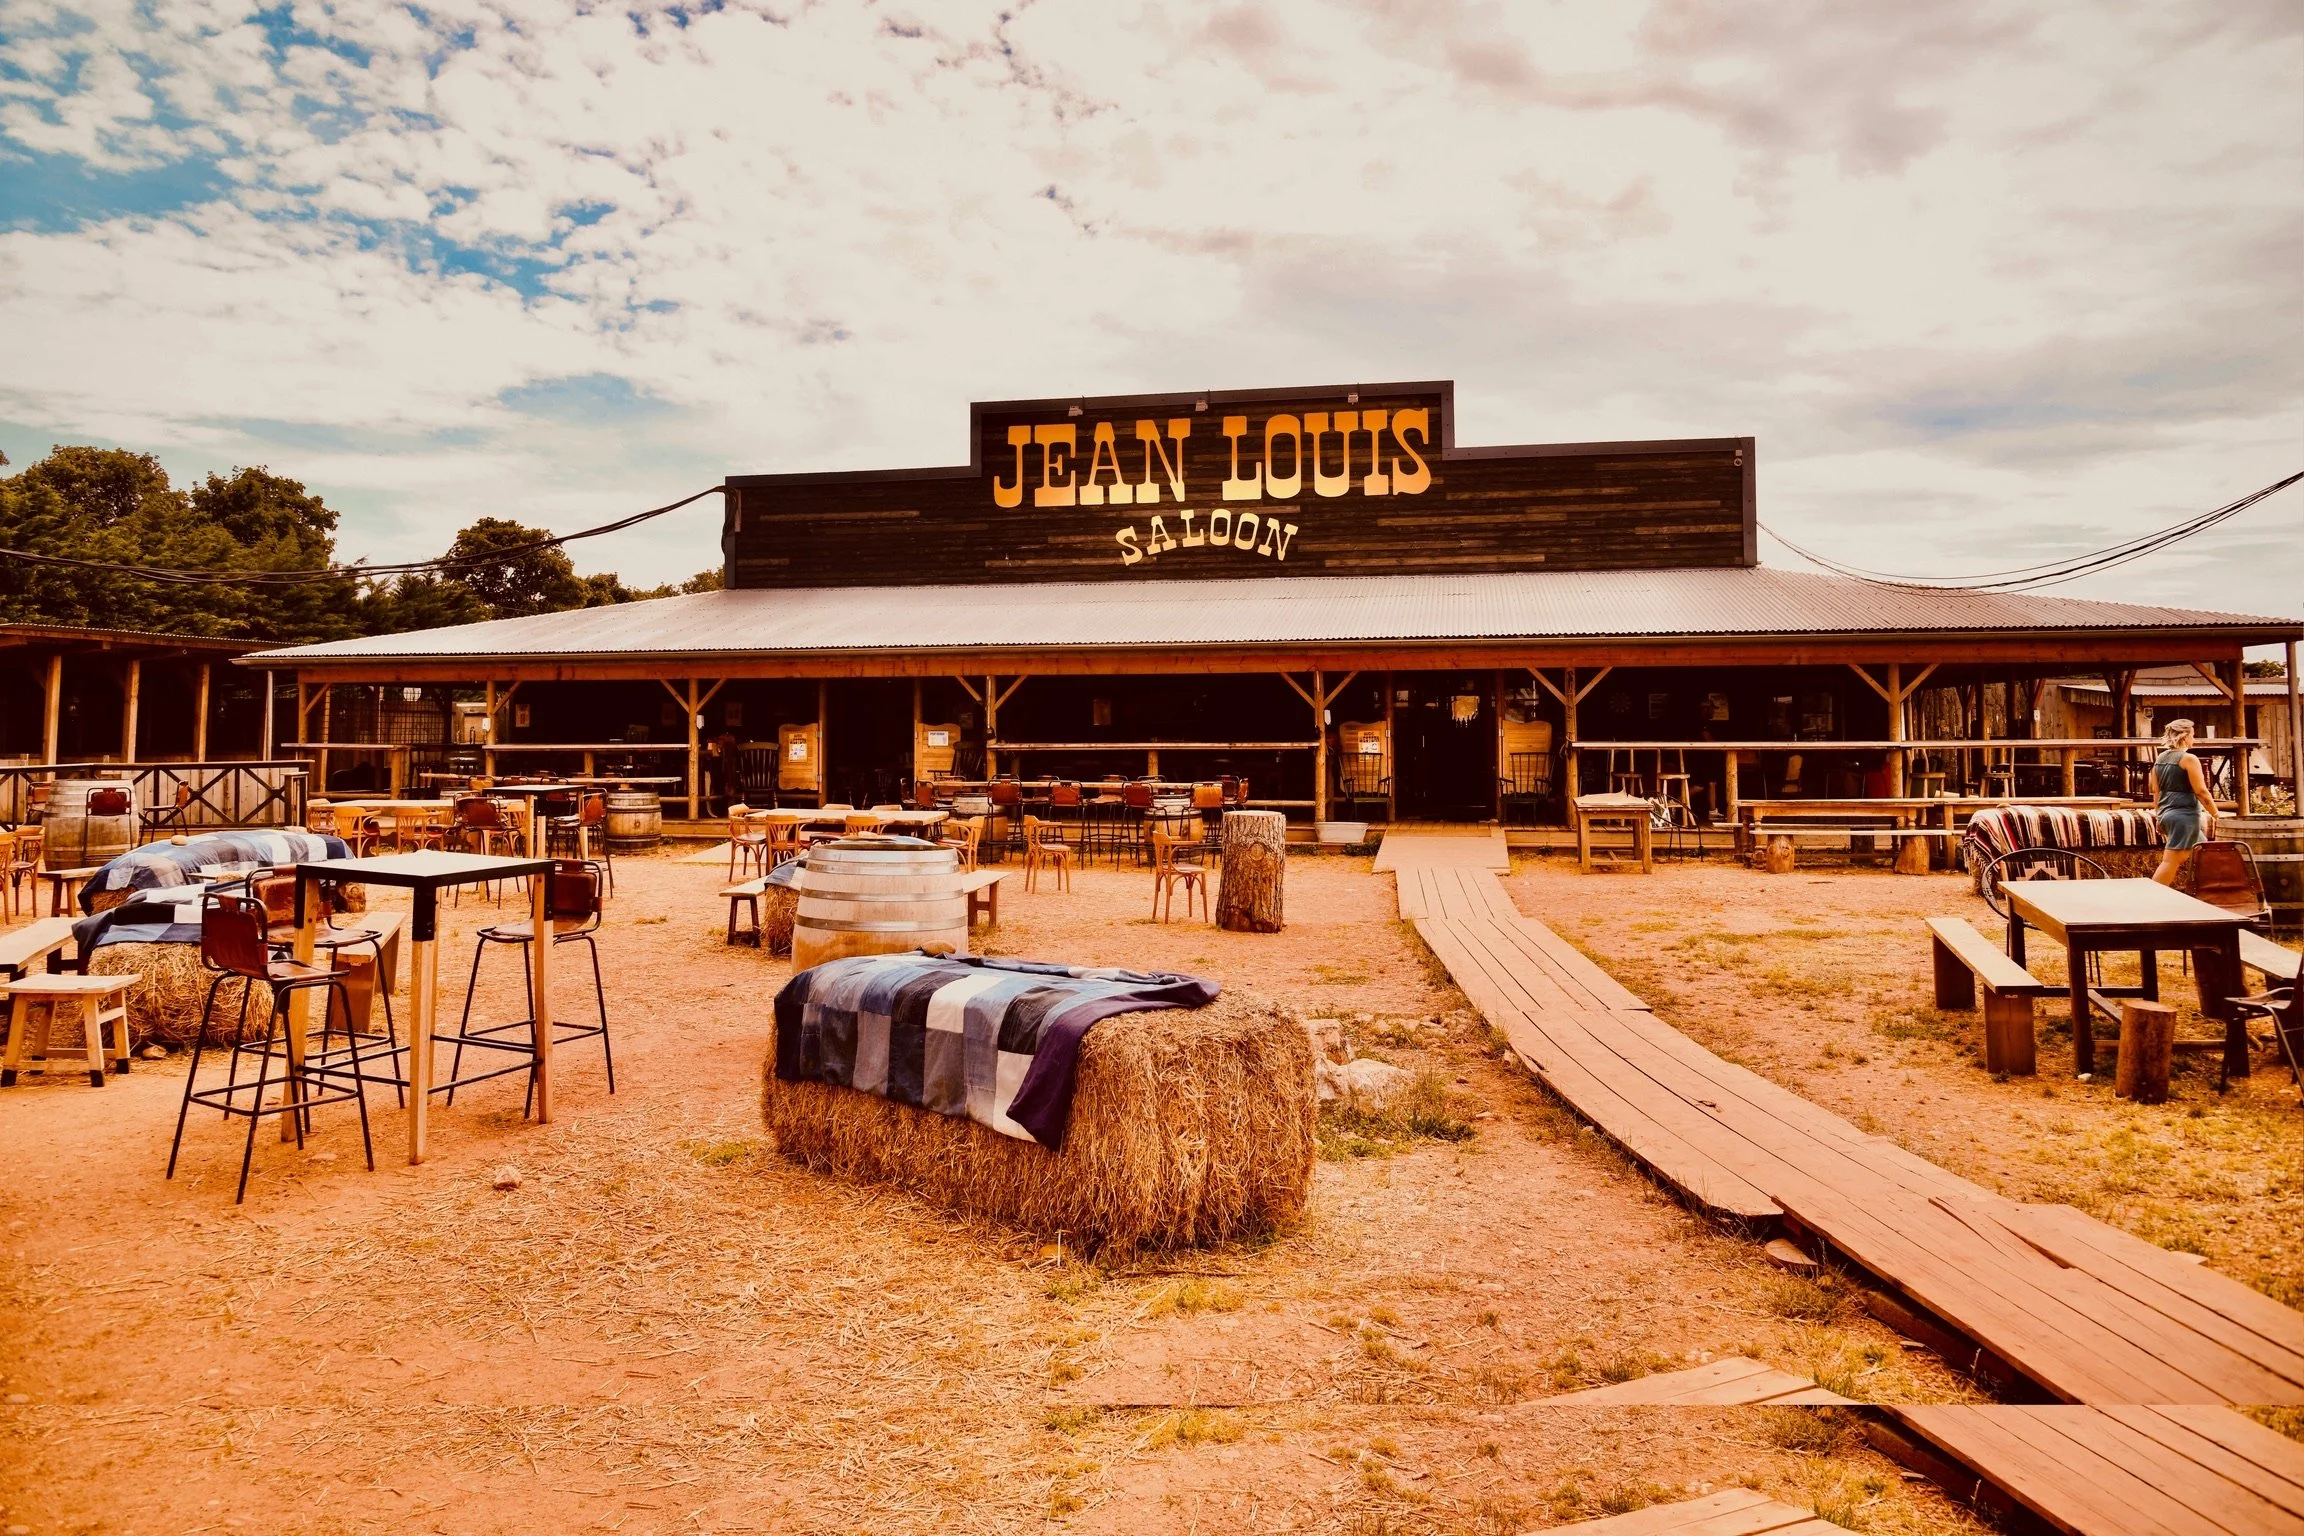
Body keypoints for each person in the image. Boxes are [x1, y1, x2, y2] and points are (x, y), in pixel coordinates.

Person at [2150, 718, 2216, 885]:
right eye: (2193, 735)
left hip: (2168, 814)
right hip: (2184, 816)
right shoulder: (2189, 759)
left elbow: (2156, 792)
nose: (2194, 739)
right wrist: (2216, 814)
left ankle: (2210, 893)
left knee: (2204, 854)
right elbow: (2201, 791)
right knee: (2170, 861)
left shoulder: (2160, 759)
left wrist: (2159, 817)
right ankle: (2151, 897)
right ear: (2185, 736)